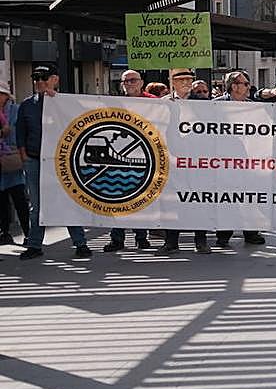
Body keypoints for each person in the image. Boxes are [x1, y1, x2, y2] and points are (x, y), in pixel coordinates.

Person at [16, 62, 91, 260]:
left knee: (67, 201)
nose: (39, 82)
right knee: (37, 206)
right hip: (34, 160)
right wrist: (24, 156)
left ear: (55, 80)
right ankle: (34, 245)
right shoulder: (26, 105)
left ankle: (80, 243)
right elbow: (21, 133)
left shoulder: (67, 103)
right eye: (36, 79)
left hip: (61, 161)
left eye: (43, 78)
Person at [158, 69, 215, 255]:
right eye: (181, 79)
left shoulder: (202, 103)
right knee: (172, 202)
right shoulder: (164, 103)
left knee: (198, 200)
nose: (186, 83)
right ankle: (171, 241)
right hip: (172, 160)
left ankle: (201, 241)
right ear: (172, 82)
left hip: (195, 160)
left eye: (189, 79)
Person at [210, 70, 268, 249]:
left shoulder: (252, 106)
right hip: (224, 160)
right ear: (233, 86)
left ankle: (250, 232)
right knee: (227, 197)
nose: (248, 87)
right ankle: (224, 234)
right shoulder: (215, 106)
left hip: (248, 160)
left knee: (249, 197)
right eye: (245, 83)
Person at [103, 70, 157, 253]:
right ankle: (117, 238)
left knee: (140, 198)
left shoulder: (152, 101)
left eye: (133, 80)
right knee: (118, 197)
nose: (129, 83)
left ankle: (141, 237)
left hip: (145, 155)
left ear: (141, 82)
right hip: (120, 152)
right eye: (126, 81)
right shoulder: (115, 103)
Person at [0, 83, 31, 248]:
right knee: (2, 200)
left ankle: (28, 234)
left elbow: (21, 132)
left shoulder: (16, 110)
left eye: (1, 94)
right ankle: (4, 233)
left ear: (7, 96)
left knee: (20, 199)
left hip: (12, 158)